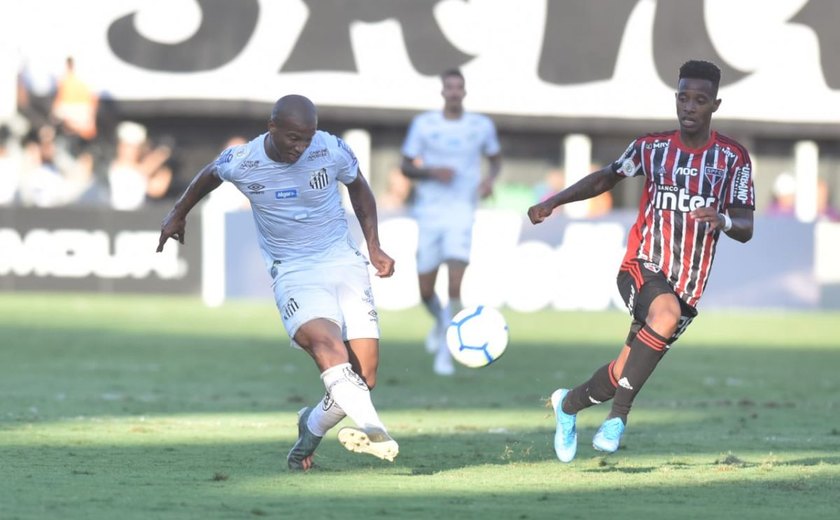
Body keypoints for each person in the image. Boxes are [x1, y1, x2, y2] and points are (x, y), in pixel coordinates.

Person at [527, 60, 755, 462]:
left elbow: (745, 225)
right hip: (641, 264)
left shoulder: (732, 159)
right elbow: (606, 177)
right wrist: (554, 202)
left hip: (688, 285)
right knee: (662, 315)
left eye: (699, 100)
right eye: (683, 97)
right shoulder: (652, 147)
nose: (689, 106)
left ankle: (567, 405)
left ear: (714, 105)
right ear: (676, 98)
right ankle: (617, 420)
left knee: (622, 373)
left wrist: (720, 218)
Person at [156, 95, 399, 470]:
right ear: (272, 128)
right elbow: (209, 174)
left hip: (343, 262)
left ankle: (310, 426)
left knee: (363, 376)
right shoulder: (244, 160)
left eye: (307, 138)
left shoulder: (331, 149)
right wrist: (177, 213)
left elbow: (360, 187)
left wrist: (375, 246)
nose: (301, 148)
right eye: (293, 138)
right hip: (294, 271)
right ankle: (374, 428)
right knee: (327, 346)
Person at [400, 68, 502, 375]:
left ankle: (446, 351)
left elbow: (495, 159)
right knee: (426, 290)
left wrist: (488, 181)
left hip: (462, 211)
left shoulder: (480, 126)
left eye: (459, 87)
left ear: (465, 91)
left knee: (455, 283)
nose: (454, 92)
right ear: (443, 91)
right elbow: (406, 166)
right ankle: (440, 321)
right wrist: (432, 172)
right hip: (430, 212)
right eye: (450, 87)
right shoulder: (424, 124)